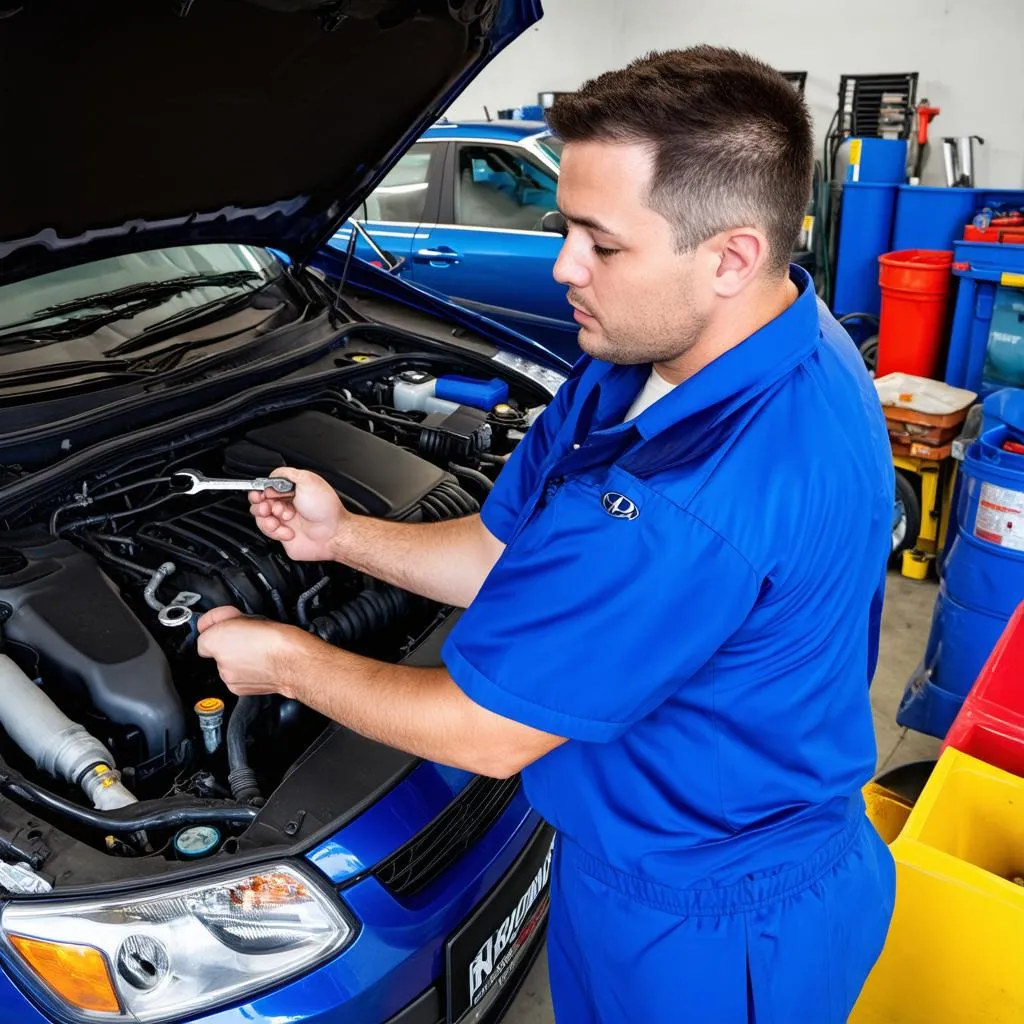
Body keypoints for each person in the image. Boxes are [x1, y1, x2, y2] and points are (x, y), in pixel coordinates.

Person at [197, 46, 897, 1023]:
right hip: (629, 859)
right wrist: (343, 537)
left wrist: (285, 660)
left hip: (717, 925)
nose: (566, 266)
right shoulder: (673, 351)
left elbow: (484, 734)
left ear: (731, 254)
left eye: (601, 244)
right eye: (564, 225)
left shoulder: (691, 497)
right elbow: (499, 554)